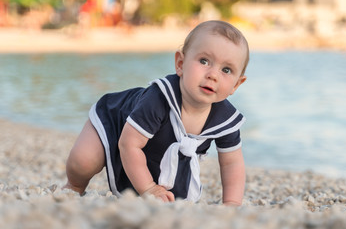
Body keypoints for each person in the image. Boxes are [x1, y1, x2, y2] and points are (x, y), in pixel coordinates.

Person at [63, 20, 249, 205]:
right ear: (180, 63)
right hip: (116, 120)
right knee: (83, 162)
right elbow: (129, 144)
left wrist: (232, 203)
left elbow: (232, 163)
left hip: (148, 147)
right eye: (204, 61)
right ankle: (74, 187)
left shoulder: (226, 120)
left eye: (226, 70)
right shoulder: (159, 99)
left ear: (236, 84)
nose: (213, 75)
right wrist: (148, 188)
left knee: (169, 193)